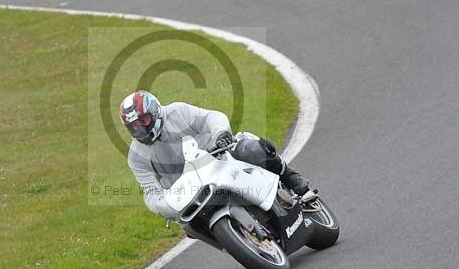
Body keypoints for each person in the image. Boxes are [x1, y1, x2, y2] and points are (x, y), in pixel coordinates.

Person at [119, 90, 316, 220]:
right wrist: (164, 206)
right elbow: (150, 192)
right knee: (190, 225)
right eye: (133, 126)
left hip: (219, 156)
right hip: (191, 193)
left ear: (155, 112)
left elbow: (211, 118)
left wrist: (221, 134)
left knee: (251, 149)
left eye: (143, 120)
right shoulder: (136, 157)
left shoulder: (177, 112)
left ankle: (291, 179)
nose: (140, 129)